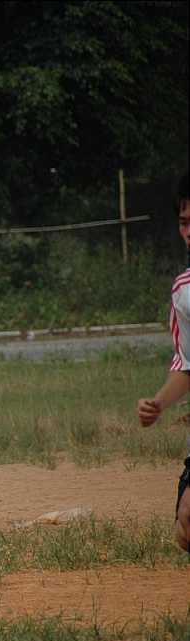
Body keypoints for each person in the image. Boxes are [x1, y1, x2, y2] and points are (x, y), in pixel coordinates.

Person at [136, 170, 190, 552]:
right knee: (186, 528)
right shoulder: (183, 291)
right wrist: (158, 403)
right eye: (184, 223)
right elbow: (188, 365)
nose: (189, 232)